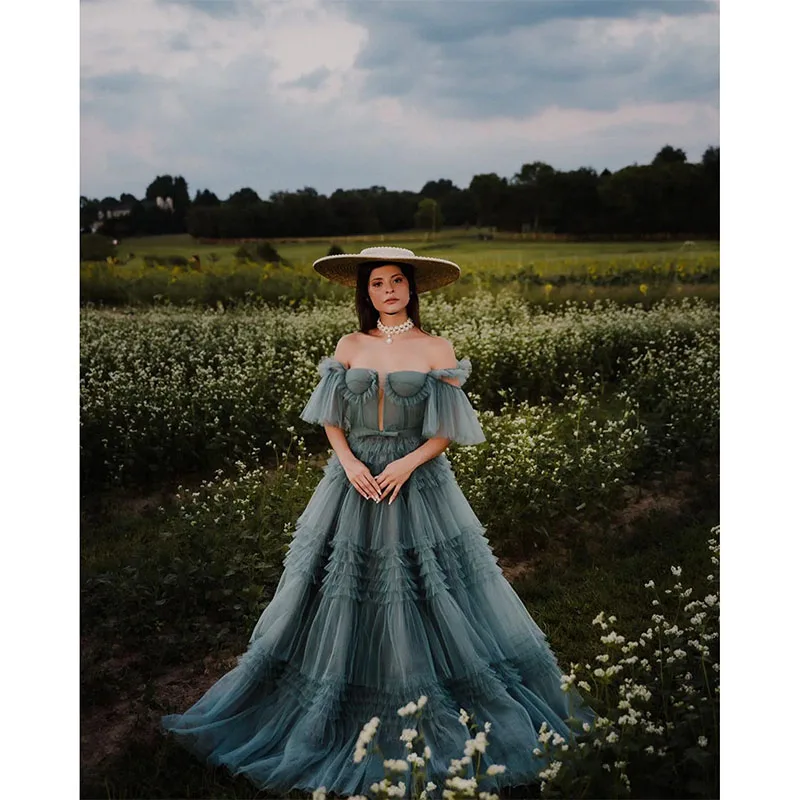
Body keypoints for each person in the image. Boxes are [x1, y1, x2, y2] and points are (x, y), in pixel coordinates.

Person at [161, 246, 592, 797]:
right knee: (336, 585)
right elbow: (332, 418)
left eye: (395, 281)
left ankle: (432, 697)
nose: (386, 291)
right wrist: (349, 462)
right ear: (365, 293)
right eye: (376, 284)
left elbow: (446, 430)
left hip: (417, 482)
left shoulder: (436, 348)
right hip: (354, 479)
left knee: (428, 586)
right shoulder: (351, 345)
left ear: (412, 288)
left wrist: (408, 464)